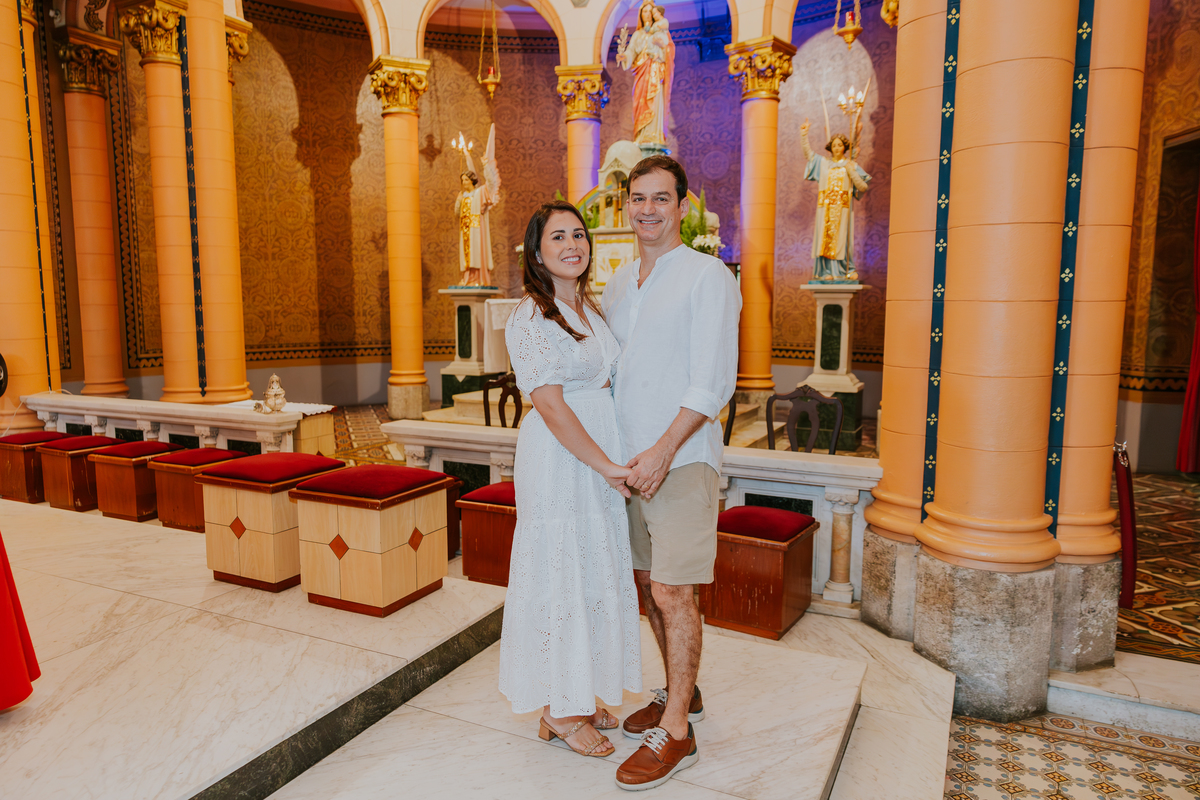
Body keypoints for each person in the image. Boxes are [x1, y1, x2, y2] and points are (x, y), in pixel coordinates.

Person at [601, 156, 740, 791]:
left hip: (679, 461)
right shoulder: (619, 284)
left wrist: (660, 451)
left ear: (683, 207)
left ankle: (677, 731)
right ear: (625, 206)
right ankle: (680, 691)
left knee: (674, 592)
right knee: (646, 584)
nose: (648, 209)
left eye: (661, 198)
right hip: (628, 466)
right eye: (638, 198)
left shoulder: (707, 276)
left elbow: (711, 382)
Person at [498, 201, 642, 760]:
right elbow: (552, 406)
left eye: (578, 235)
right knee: (560, 568)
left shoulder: (587, 307)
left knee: (592, 566)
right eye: (558, 237)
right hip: (563, 456)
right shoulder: (530, 316)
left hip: (597, 449)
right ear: (537, 252)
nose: (572, 245)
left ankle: (576, 689)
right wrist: (605, 463)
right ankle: (559, 712)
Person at [800, 119, 870, 281]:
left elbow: (863, 186)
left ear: (845, 147)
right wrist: (804, 135)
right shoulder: (823, 164)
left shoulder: (850, 164)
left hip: (843, 208)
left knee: (842, 241)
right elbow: (808, 155)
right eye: (834, 145)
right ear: (830, 147)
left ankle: (845, 270)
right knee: (824, 239)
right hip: (825, 208)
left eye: (840, 145)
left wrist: (851, 172)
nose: (837, 148)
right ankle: (826, 272)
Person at [615, 0, 673, 147]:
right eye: (644, 11)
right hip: (642, 73)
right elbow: (631, 52)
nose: (647, 14)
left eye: (650, 11)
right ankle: (642, 134)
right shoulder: (637, 35)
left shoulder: (660, 31)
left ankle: (654, 134)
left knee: (655, 99)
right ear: (640, 14)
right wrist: (624, 57)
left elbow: (669, 50)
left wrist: (661, 48)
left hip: (655, 70)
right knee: (641, 101)